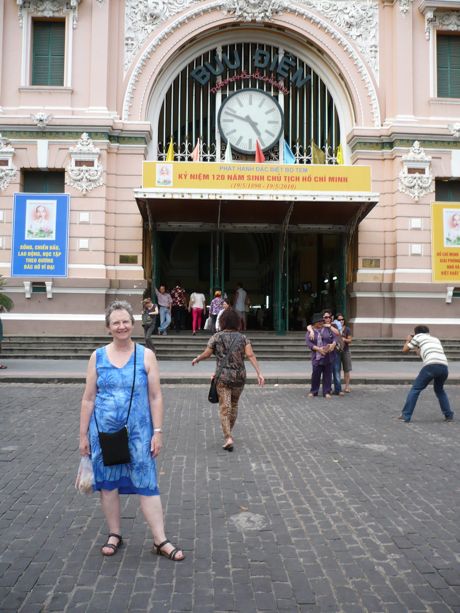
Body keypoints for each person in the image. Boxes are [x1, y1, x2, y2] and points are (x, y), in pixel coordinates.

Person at [79, 301, 184, 561]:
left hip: (139, 433)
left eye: (125, 321)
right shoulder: (98, 357)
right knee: (108, 485)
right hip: (104, 433)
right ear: (108, 328)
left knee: (147, 483)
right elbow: (89, 398)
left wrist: (157, 431)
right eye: (116, 322)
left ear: (133, 324)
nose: (121, 326)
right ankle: (115, 533)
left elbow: (156, 396)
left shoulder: (145, 355)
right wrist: (82, 435)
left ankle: (160, 539)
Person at [191, 308, 264, 451]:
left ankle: (228, 436)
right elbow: (250, 355)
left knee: (225, 407)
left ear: (222, 321)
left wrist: (197, 359)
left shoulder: (216, 337)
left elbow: (207, 353)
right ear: (238, 322)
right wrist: (259, 373)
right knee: (234, 405)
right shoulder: (243, 338)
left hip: (223, 377)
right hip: (239, 377)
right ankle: (228, 431)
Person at [399, 325, 454, 423]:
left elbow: (404, 350)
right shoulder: (435, 339)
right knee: (440, 390)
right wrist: (416, 346)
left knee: (415, 389)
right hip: (444, 367)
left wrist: (408, 340)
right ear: (428, 332)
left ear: (416, 333)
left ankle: (405, 416)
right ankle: (448, 415)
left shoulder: (417, 337)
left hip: (431, 366)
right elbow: (420, 354)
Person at [305, 313, 337, 399]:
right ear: (314, 323)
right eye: (318, 322)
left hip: (328, 356)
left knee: (327, 375)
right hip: (317, 357)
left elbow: (335, 338)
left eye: (321, 321)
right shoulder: (310, 331)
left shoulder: (327, 329)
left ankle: (326, 391)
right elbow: (309, 343)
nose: (320, 323)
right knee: (315, 375)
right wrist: (319, 349)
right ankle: (314, 391)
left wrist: (333, 345)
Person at [335, 313, 353, 393]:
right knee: (336, 370)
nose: (341, 321)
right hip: (336, 351)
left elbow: (350, 340)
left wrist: (344, 339)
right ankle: (338, 387)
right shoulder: (334, 328)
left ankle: (347, 386)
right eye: (339, 320)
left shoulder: (347, 329)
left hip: (345, 351)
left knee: (346, 369)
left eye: (342, 319)